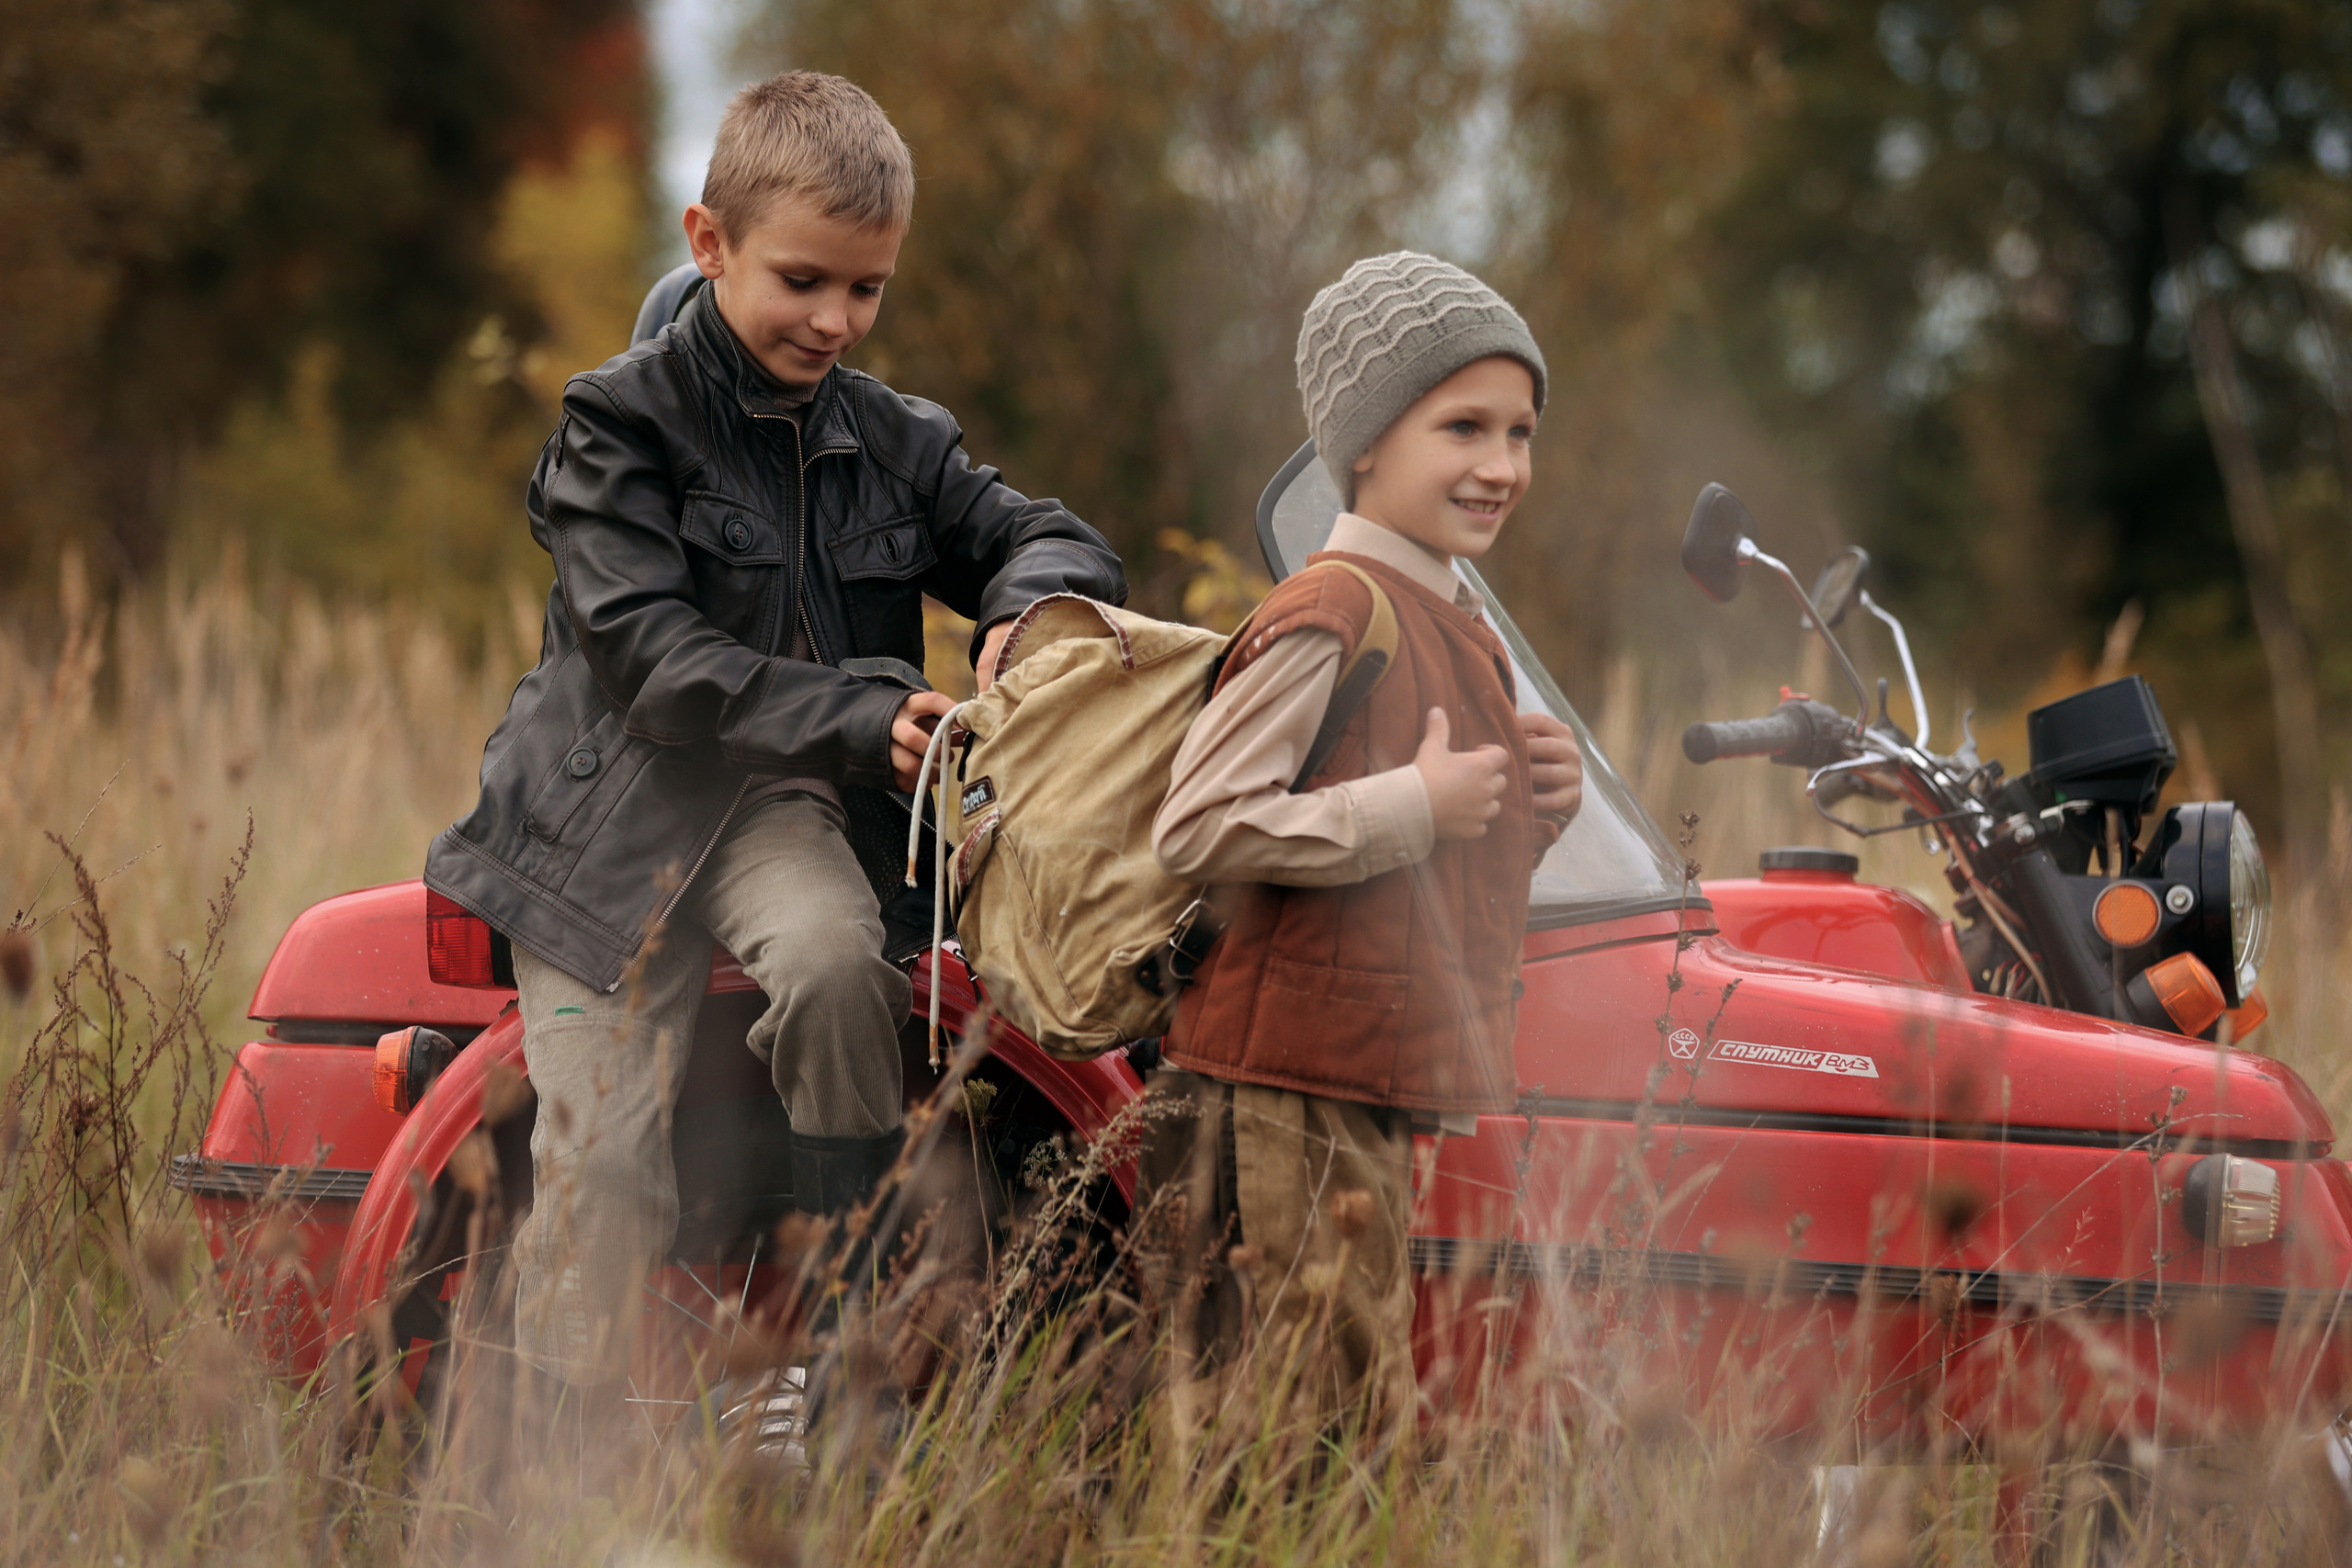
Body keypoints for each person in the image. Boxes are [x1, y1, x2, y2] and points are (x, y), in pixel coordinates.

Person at [422, 71, 1126, 1417]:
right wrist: (863, 715)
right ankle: (561, 1449)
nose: (834, 320)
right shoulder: (616, 424)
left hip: (777, 812)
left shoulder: (898, 441)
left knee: (836, 967)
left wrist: (1021, 616)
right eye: (803, 280)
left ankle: (839, 1375)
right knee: (606, 1154)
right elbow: (651, 659)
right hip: (601, 834)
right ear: (710, 243)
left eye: (867, 289)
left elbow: (1049, 537)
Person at [1140, 251, 1579, 1441]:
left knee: (1338, 1398)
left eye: (1521, 433)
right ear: (1367, 442)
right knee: (1300, 1415)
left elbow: (1423, 882)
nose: (1502, 466)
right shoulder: (1334, 608)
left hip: (1365, 1070)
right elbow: (1199, 823)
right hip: (1291, 1078)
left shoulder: (1456, 620)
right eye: (1464, 428)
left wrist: (1534, 810)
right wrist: (1415, 807)